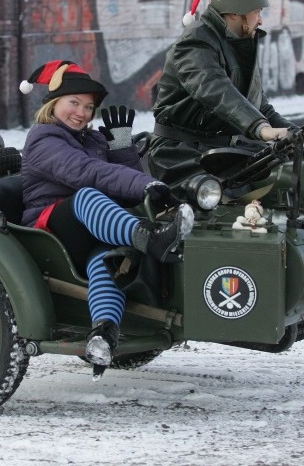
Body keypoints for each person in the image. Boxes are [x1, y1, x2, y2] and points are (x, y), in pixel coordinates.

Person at [18, 60, 194, 380]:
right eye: (74, 103)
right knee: (87, 195)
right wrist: (145, 185)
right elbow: (89, 174)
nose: (82, 113)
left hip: (95, 227)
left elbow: (127, 192)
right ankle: (150, 239)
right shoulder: (44, 139)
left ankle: (104, 333)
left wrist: (123, 147)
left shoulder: (92, 140)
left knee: (107, 260)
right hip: (50, 230)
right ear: (53, 103)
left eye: (88, 106)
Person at [147, 0, 295, 187]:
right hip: (180, 155)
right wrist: (260, 128)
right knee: (225, 214)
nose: (261, 20)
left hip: (220, 152)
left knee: (286, 181)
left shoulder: (238, 42)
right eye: (257, 11)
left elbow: (257, 104)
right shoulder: (195, 42)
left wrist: (295, 133)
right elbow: (216, 90)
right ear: (236, 11)